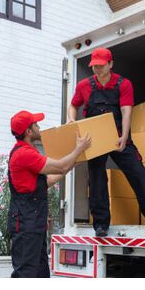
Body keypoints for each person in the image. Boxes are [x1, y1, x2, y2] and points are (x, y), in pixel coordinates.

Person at [68, 47, 145, 237]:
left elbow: (126, 111)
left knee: (138, 172)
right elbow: (74, 104)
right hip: (95, 139)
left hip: (118, 135)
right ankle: (101, 224)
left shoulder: (123, 84)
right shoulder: (84, 85)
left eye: (101, 66)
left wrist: (125, 136)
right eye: (94, 66)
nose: (97, 70)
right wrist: (71, 119)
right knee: (97, 178)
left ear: (110, 64)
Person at [8, 110, 91, 278]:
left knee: (40, 273)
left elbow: (47, 181)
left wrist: (74, 161)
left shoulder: (26, 152)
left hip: (33, 223)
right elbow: (60, 166)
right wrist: (78, 149)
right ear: (29, 132)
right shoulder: (24, 154)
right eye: (36, 124)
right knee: (26, 275)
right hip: (26, 225)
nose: (40, 127)